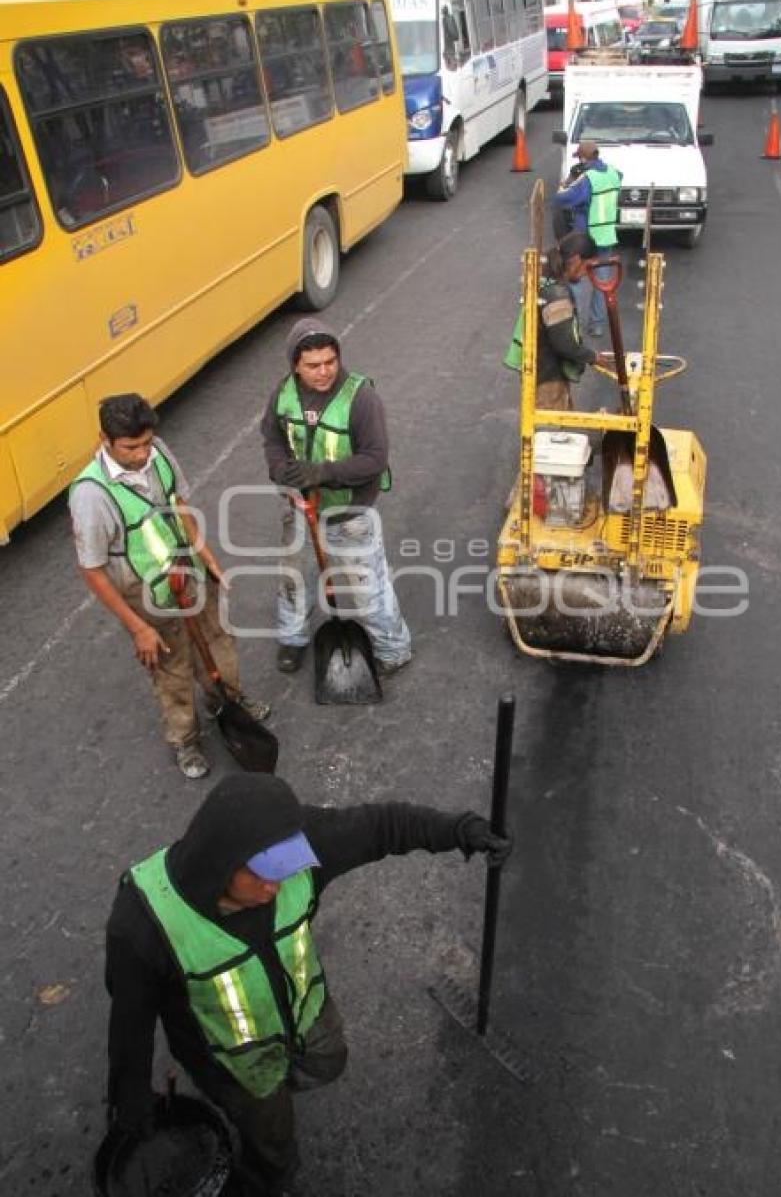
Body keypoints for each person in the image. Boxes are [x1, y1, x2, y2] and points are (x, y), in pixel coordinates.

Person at [105, 772, 513, 1196]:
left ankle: (284, 1081)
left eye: (283, 870)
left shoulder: (301, 844)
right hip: (233, 1065)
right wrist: (131, 1101)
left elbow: (383, 827)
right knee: (272, 1134)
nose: (274, 886)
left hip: (304, 1010)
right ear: (220, 862)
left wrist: (462, 830)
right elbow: (130, 1025)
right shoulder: (143, 923)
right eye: (260, 874)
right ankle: (268, 1178)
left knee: (329, 1059)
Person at [69, 393, 269, 780]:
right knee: (172, 667)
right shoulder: (91, 495)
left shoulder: (157, 452)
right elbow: (92, 570)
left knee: (217, 641)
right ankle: (185, 740)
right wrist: (139, 628)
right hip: (145, 596)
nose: (142, 454)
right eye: (131, 447)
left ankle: (226, 701)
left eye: (146, 443)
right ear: (104, 440)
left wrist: (206, 557)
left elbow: (178, 503)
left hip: (188, 571)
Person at [261, 318, 411, 678]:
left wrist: (322, 473)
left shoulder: (361, 398)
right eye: (313, 365)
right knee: (294, 580)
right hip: (300, 511)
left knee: (368, 590)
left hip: (350, 516)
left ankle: (393, 649)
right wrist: (280, 469)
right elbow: (272, 438)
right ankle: (293, 638)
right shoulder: (284, 393)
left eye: (331, 361)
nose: (324, 371)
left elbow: (375, 459)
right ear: (295, 365)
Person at [503, 230, 598, 411]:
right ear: (577, 259)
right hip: (548, 380)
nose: (587, 274)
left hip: (537, 372)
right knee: (553, 435)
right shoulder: (557, 295)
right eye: (588, 267)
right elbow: (564, 343)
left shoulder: (545, 281)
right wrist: (593, 357)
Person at [553, 139, 622, 338]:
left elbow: (563, 199)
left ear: (583, 157)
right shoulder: (612, 173)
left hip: (585, 237)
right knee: (602, 282)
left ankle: (573, 321)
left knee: (575, 278)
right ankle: (597, 325)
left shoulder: (586, 179)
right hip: (606, 235)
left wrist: (563, 187)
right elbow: (619, 178)